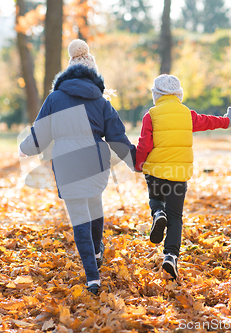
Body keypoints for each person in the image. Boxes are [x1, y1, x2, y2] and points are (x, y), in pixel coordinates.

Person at [19, 39, 136, 295]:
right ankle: (97, 249)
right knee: (94, 203)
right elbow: (117, 137)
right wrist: (136, 161)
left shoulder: (54, 98)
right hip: (95, 162)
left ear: (68, 72)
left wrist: (25, 148)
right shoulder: (101, 102)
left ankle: (92, 278)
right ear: (93, 75)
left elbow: (40, 134)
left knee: (79, 218)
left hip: (67, 165)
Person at [135, 74, 231, 280]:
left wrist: (138, 164)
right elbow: (208, 121)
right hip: (178, 174)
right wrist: (227, 121)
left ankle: (157, 214)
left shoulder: (151, 115)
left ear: (156, 95)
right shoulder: (186, 114)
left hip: (156, 172)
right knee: (176, 217)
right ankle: (171, 256)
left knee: (156, 199)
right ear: (178, 94)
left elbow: (144, 144)